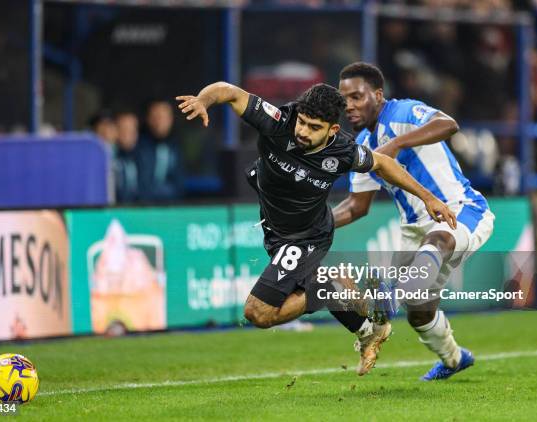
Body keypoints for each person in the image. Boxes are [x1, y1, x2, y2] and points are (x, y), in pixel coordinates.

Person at [177, 81, 456, 375]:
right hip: (276, 230)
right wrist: (203, 100)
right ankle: (366, 328)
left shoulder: (344, 151)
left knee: (258, 313)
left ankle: (328, 286)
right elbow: (229, 91)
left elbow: (384, 164)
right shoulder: (278, 122)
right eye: (302, 121)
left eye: (313, 127)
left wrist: (428, 198)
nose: (302, 131)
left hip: (307, 236)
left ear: (331, 131)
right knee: (330, 302)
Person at [335, 62, 495, 380]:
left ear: (378, 95)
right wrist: (312, 222)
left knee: (438, 241)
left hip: (459, 209)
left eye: (357, 97)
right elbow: (355, 206)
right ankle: (454, 359)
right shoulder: (363, 148)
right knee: (420, 313)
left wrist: (396, 144)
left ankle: (389, 292)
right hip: (414, 230)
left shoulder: (403, 112)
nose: (349, 106)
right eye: (345, 101)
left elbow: (448, 123)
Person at [137, 100, 185, 201]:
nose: (159, 122)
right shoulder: (138, 147)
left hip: (171, 208)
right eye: (155, 117)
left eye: (163, 117)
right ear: (148, 120)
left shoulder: (176, 147)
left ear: (170, 119)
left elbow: (179, 185)